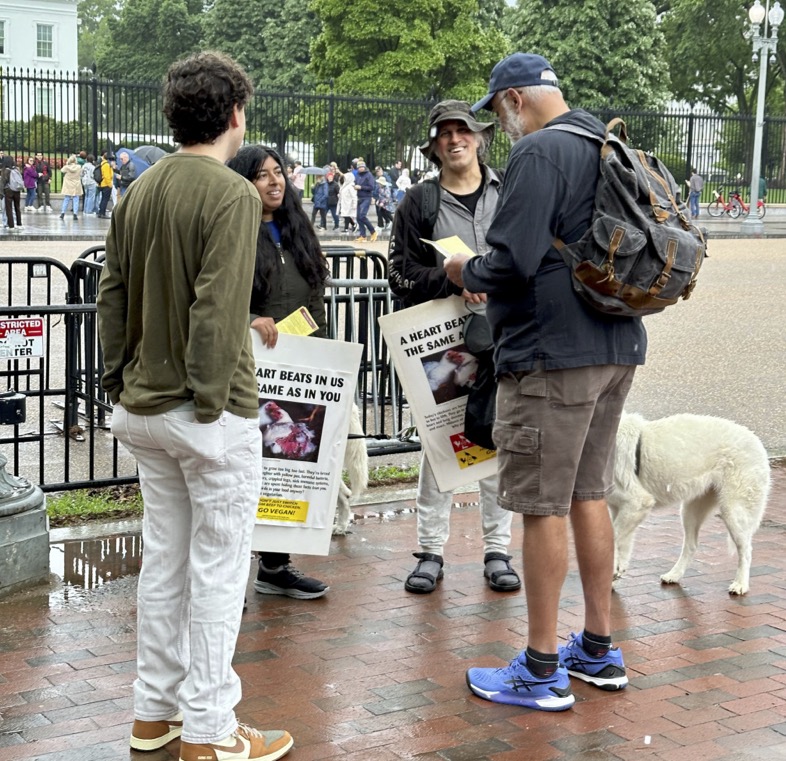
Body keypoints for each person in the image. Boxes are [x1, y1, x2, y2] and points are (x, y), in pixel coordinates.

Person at [96, 51, 293, 761]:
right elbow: (219, 308)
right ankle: (211, 728)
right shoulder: (233, 195)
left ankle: (155, 712)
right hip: (206, 409)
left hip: (144, 405)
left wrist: (119, 377)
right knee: (216, 567)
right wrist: (213, 400)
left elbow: (111, 295)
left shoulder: (139, 190)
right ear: (236, 114)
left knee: (166, 562)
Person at [444, 53, 646, 712]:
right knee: (589, 491)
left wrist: (466, 269)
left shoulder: (538, 154)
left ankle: (539, 666)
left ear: (515, 101)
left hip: (552, 352)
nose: (497, 128)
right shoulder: (603, 140)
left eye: (496, 113)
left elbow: (512, 261)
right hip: (617, 341)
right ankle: (597, 645)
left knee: (541, 503)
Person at [387, 100, 519, 595]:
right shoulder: (419, 203)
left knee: (496, 438)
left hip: (505, 337)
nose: (454, 138)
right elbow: (397, 271)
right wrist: (447, 279)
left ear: (481, 136)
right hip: (443, 348)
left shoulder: (509, 190)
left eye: (463, 129)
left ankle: (497, 549)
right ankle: (430, 550)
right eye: (444, 132)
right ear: (434, 145)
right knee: (440, 445)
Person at [226, 143, 331, 600]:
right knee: (245, 470)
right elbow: (214, 296)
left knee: (286, 465)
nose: (273, 182)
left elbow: (315, 297)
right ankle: (228, 577)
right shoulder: (231, 230)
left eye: (278, 173)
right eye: (261, 175)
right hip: (248, 368)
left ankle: (275, 566)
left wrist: (321, 347)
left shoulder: (297, 231)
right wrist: (249, 319)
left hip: (298, 365)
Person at [353, 160, 377, 242]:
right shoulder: (357, 175)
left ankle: (373, 232)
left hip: (367, 197)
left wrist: (361, 187)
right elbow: (355, 183)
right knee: (358, 217)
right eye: (359, 167)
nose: (360, 168)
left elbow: (371, 187)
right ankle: (362, 235)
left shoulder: (369, 175)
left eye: (362, 167)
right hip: (359, 197)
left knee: (362, 215)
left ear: (365, 167)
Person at [2, 157, 24, 230]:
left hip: (9, 190)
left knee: (9, 208)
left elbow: (3, 182)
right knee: (17, 207)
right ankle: (19, 224)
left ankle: (11, 225)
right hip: (17, 190)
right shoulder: (16, 169)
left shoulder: (5, 170)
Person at [59, 154, 82, 220]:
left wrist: (67, 163)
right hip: (76, 185)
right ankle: (75, 214)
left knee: (66, 199)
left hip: (68, 185)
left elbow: (61, 170)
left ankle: (62, 213)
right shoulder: (79, 167)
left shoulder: (66, 167)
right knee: (76, 199)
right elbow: (81, 173)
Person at [96, 152, 115, 218]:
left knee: (103, 199)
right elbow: (107, 176)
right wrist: (110, 185)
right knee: (105, 200)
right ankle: (102, 213)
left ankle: (100, 212)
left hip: (102, 184)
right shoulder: (107, 165)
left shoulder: (103, 163)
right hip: (106, 184)